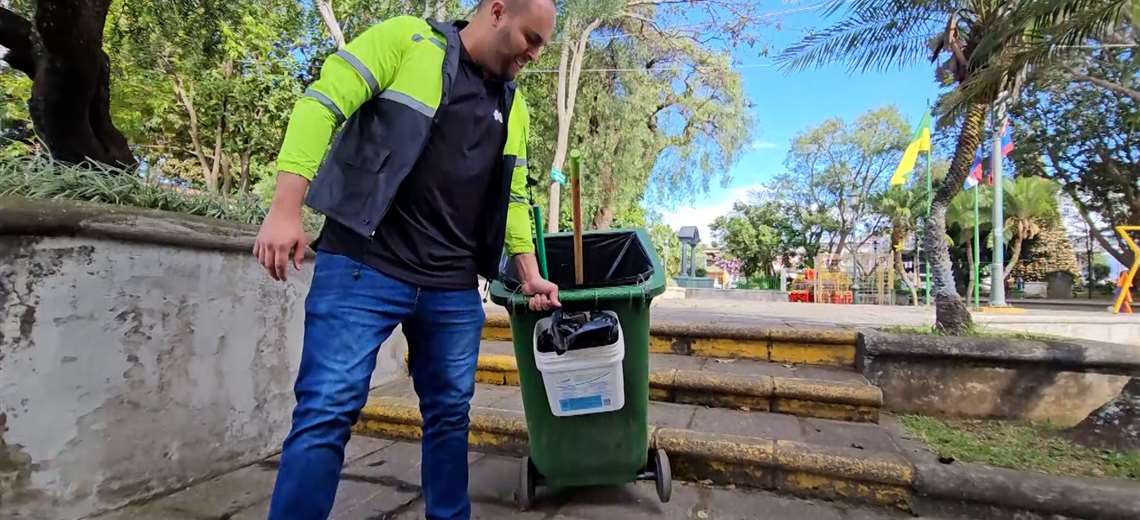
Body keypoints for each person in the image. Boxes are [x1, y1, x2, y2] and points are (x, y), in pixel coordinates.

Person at [253, 1, 558, 518]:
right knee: (325, 412)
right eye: (532, 38)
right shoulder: (407, 40)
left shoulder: (516, 105)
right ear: (498, 12)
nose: (534, 52)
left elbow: (515, 198)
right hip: (362, 265)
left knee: (450, 417)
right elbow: (321, 102)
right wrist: (286, 209)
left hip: (452, 287)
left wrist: (530, 275)